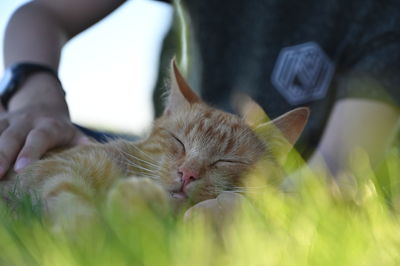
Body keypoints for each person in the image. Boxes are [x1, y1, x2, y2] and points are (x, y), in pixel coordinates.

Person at [1, 0, 399, 180]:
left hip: (272, 177)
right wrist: (35, 96)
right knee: (23, 141)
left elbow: (337, 169)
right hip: (159, 152)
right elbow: (40, 12)